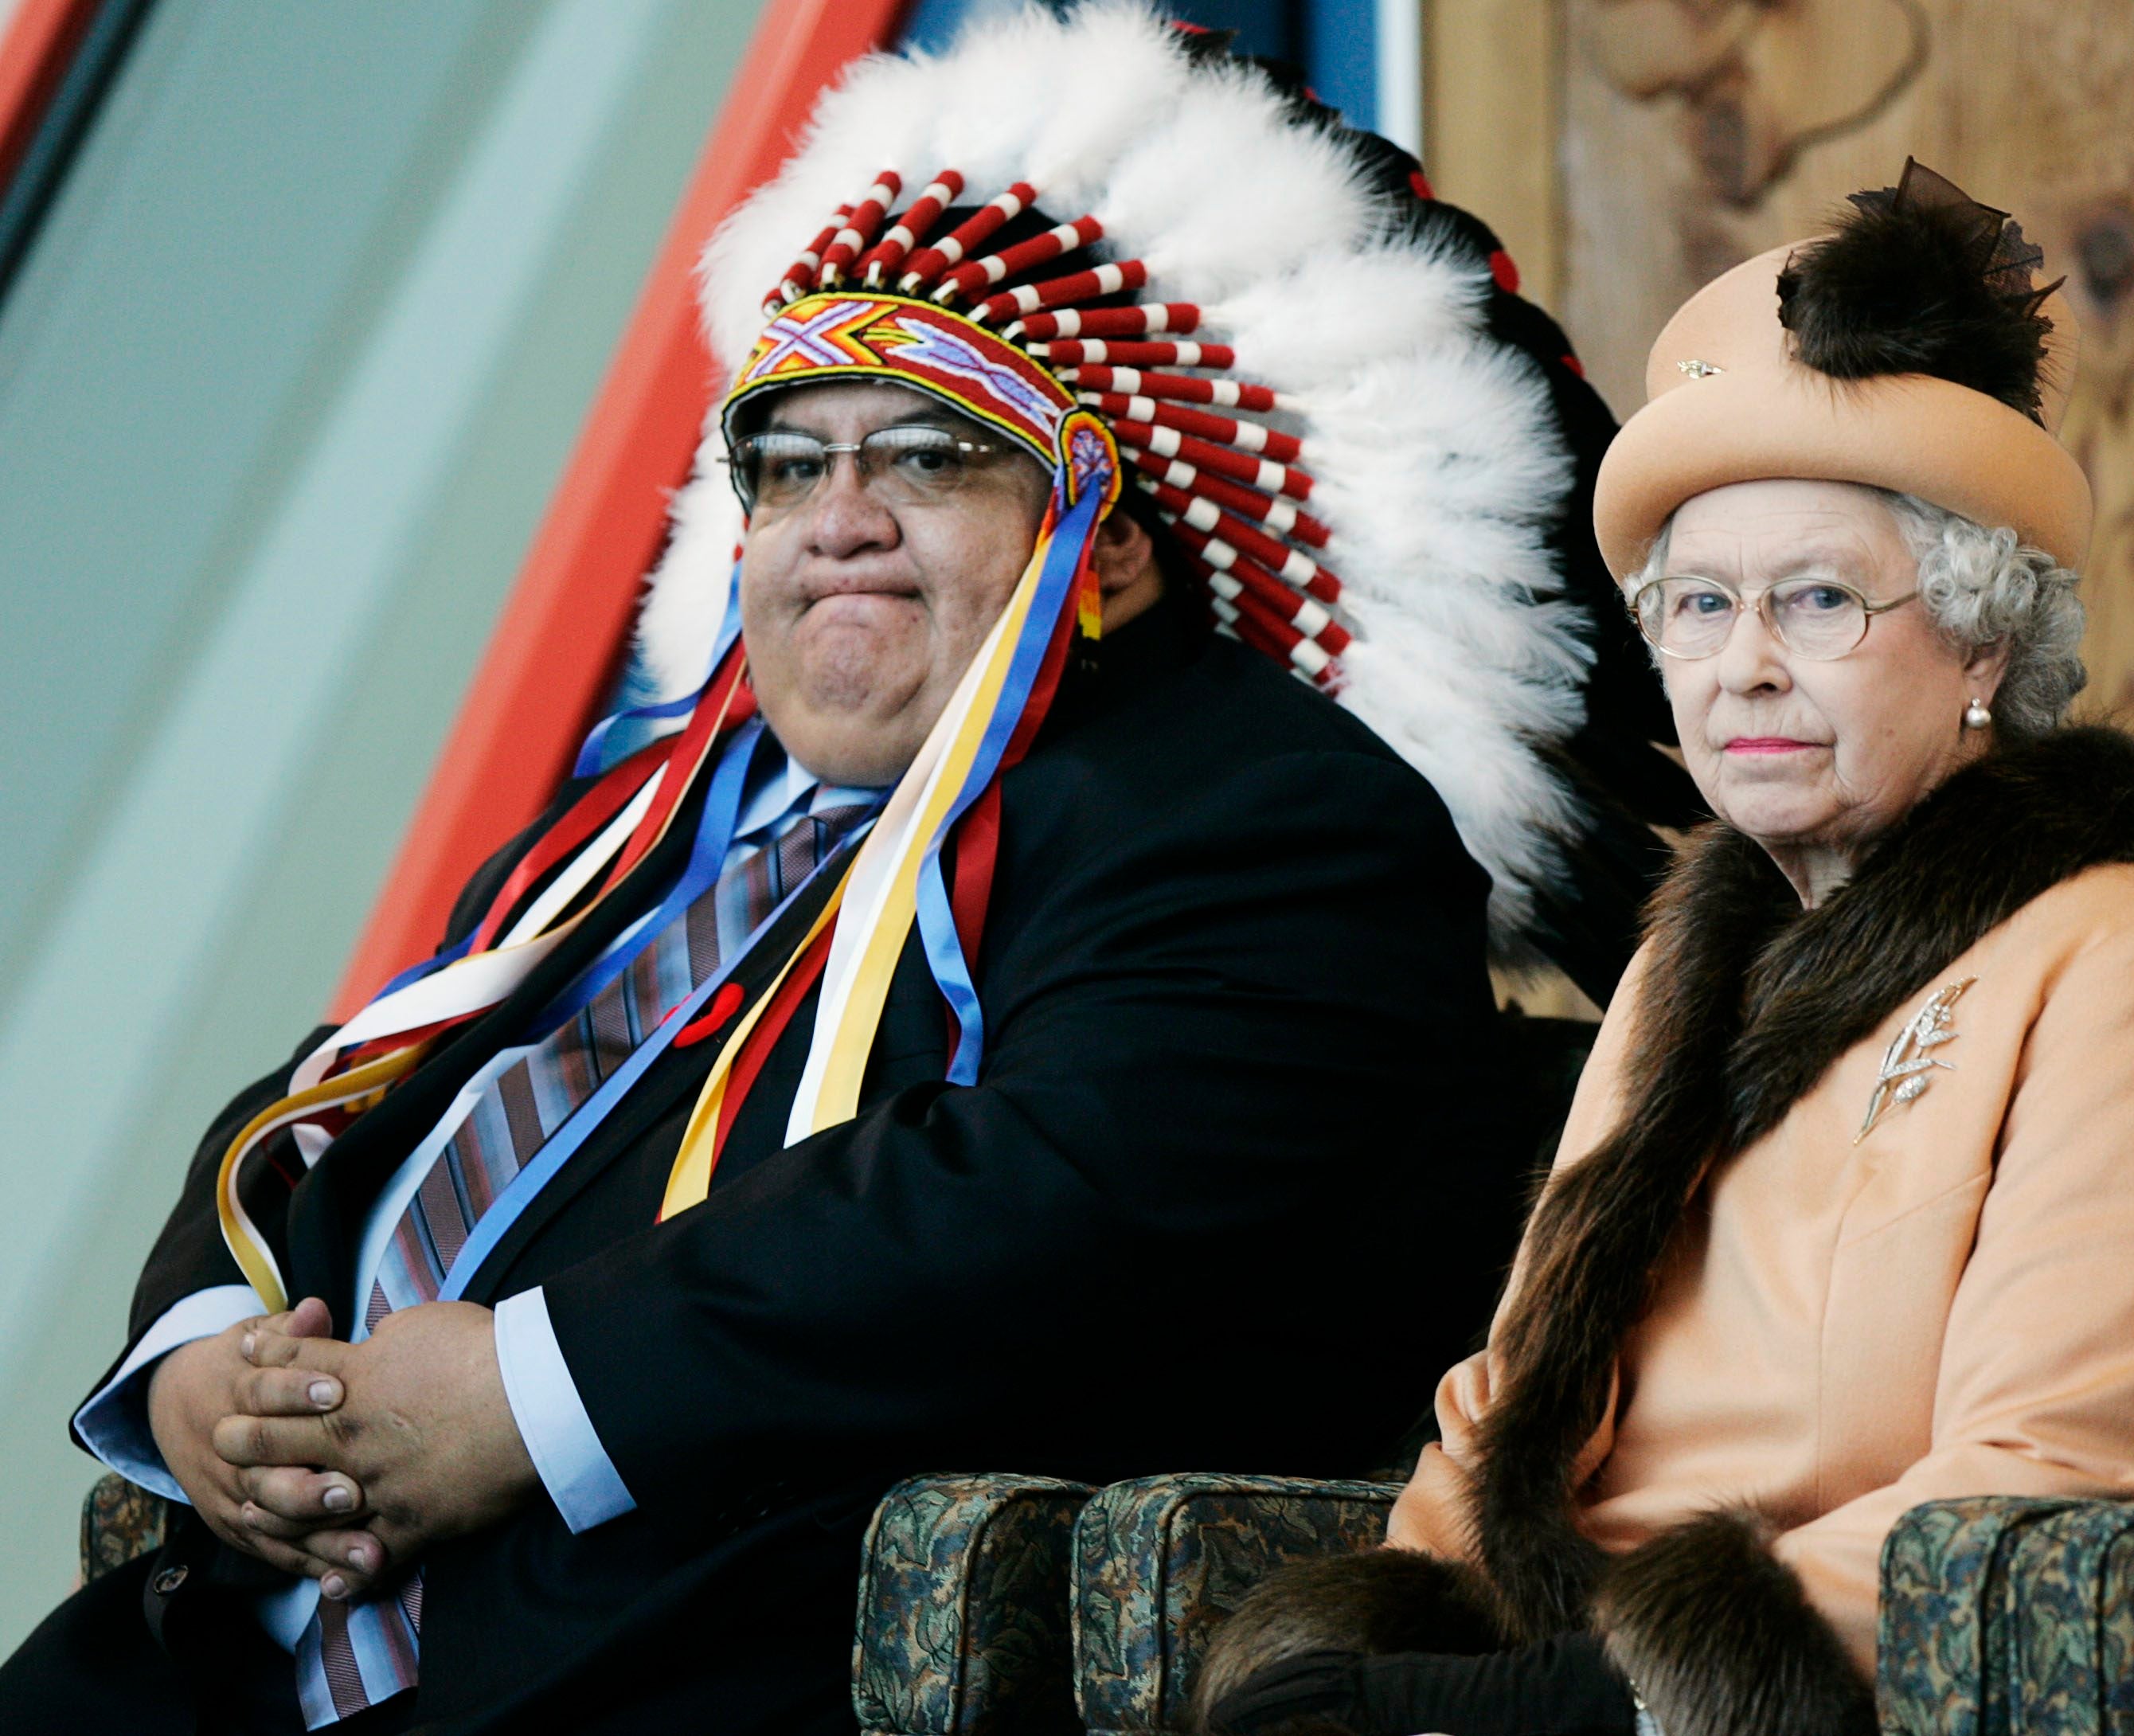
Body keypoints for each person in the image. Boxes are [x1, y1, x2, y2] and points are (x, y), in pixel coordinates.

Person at [0, 9, 1702, 1734]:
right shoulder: (647, 830)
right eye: (790, 464)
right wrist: (214, 1356)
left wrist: (526, 1396)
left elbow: (1035, 1208)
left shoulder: (1265, 815)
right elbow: (334, 1095)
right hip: (220, 1666)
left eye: (927, 456)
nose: (836, 518)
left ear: (1101, 540)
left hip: (679, 1668)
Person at [1198, 160, 2134, 1736]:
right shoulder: (1681, 960)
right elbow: (1507, 1413)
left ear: (1985, 642)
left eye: (1816, 602)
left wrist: (1550, 1701)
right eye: (1700, 607)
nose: (1744, 669)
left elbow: (2061, 1479)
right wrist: (1394, 1632)